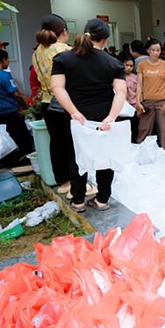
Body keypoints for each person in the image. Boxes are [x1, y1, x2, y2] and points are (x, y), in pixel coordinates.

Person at [50, 18, 127, 212]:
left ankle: (78, 201)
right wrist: (111, 116)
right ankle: (102, 200)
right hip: (104, 115)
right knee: (105, 158)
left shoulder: (63, 59)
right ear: (105, 39)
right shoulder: (114, 63)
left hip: (77, 117)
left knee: (76, 157)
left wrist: (74, 112)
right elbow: (121, 93)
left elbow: (57, 88)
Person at [32, 14, 72, 190]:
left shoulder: (36, 52)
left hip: (47, 103)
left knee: (56, 142)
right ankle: (76, 181)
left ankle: (62, 181)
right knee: (71, 142)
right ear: (63, 31)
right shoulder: (64, 50)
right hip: (64, 101)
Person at [0, 49, 32, 167]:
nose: (8, 61)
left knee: (6, 138)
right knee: (22, 138)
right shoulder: (5, 75)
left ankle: (7, 162)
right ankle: (24, 162)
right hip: (11, 111)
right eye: (7, 59)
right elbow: (15, 94)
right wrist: (25, 105)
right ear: (3, 60)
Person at [136, 38, 165, 154]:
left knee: (164, 130)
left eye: (158, 50)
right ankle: (140, 153)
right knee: (144, 129)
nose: (156, 52)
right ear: (148, 50)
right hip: (147, 102)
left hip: (162, 101)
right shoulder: (142, 65)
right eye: (153, 50)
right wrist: (138, 102)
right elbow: (139, 84)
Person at [123, 58, 139, 143]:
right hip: (122, 107)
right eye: (127, 65)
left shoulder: (135, 78)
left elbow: (139, 92)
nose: (129, 68)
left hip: (133, 106)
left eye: (131, 66)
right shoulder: (119, 77)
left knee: (134, 127)